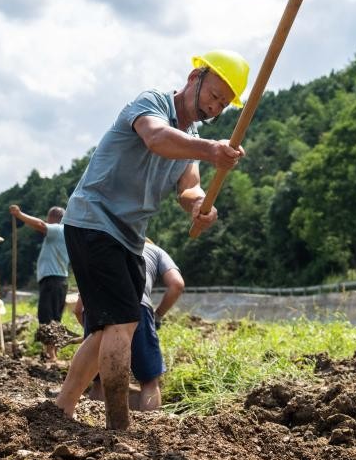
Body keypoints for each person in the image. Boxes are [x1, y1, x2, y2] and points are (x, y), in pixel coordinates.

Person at [56, 49, 248, 429]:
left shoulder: (191, 141)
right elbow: (157, 138)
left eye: (223, 105)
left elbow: (188, 188)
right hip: (95, 219)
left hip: (130, 238)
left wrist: (199, 206)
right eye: (213, 95)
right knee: (123, 322)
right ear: (194, 78)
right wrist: (212, 150)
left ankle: (61, 408)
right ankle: (118, 425)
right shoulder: (152, 103)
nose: (214, 108)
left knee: (109, 328)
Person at [81, 239, 184, 411]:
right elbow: (177, 284)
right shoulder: (155, 251)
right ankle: (150, 423)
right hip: (136, 306)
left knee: (99, 380)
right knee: (149, 382)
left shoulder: (106, 244)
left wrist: (94, 331)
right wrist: (157, 316)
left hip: (95, 305)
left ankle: (95, 423)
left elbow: (79, 309)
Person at [9, 204, 70, 360]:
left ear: (53, 218)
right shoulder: (66, 234)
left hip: (52, 280)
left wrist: (20, 214)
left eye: (48, 219)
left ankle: (50, 354)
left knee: (47, 316)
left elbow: (40, 225)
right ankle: (52, 352)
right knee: (55, 317)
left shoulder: (58, 229)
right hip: (59, 280)